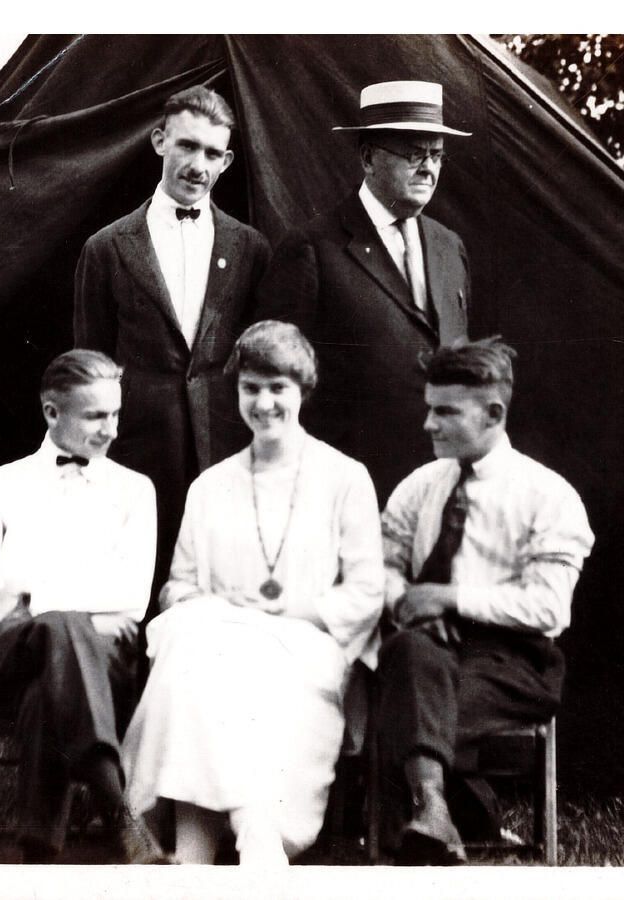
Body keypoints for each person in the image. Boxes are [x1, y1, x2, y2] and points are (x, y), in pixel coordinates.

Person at [121, 321, 383, 865]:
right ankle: (249, 835)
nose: (264, 403)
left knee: (211, 673)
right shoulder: (210, 486)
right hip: (216, 642)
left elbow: (365, 592)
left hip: (305, 646)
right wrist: (219, 607)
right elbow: (178, 587)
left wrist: (285, 608)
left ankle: (202, 850)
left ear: (303, 390)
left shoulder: (345, 478)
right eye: (251, 388)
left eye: (278, 387)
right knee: (200, 658)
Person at [375, 338, 594, 864]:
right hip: (426, 650)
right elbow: (379, 565)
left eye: (445, 411)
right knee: (407, 654)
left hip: (512, 662)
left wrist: (451, 599)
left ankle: (438, 816)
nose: (429, 423)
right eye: (430, 408)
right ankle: (435, 810)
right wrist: (407, 604)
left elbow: (548, 608)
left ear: (493, 413)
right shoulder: (420, 486)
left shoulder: (548, 495)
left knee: (401, 701)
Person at [0, 349, 166, 864]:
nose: (111, 429)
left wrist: (20, 591)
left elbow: (131, 598)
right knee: (63, 631)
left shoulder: (135, 491)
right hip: (5, 661)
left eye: (115, 414)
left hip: (92, 668)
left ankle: (39, 851)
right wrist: (81, 604)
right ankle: (118, 810)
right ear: (51, 412)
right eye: (95, 416)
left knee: (50, 680)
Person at [75, 85, 271, 620]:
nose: (197, 165)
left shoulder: (250, 248)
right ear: (160, 141)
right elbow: (90, 367)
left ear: (227, 161)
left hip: (224, 446)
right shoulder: (107, 247)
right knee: (136, 588)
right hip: (138, 449)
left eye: (212, 153)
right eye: (187, 146)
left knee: (216, 587)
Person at [254, 80, 472, 503]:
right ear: (369, 157)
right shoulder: (312, 248)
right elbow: (278, 380)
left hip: (443, 483)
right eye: (414, 154)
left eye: (436, 155)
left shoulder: (450, 247)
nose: (428, 168)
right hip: (350, 490)